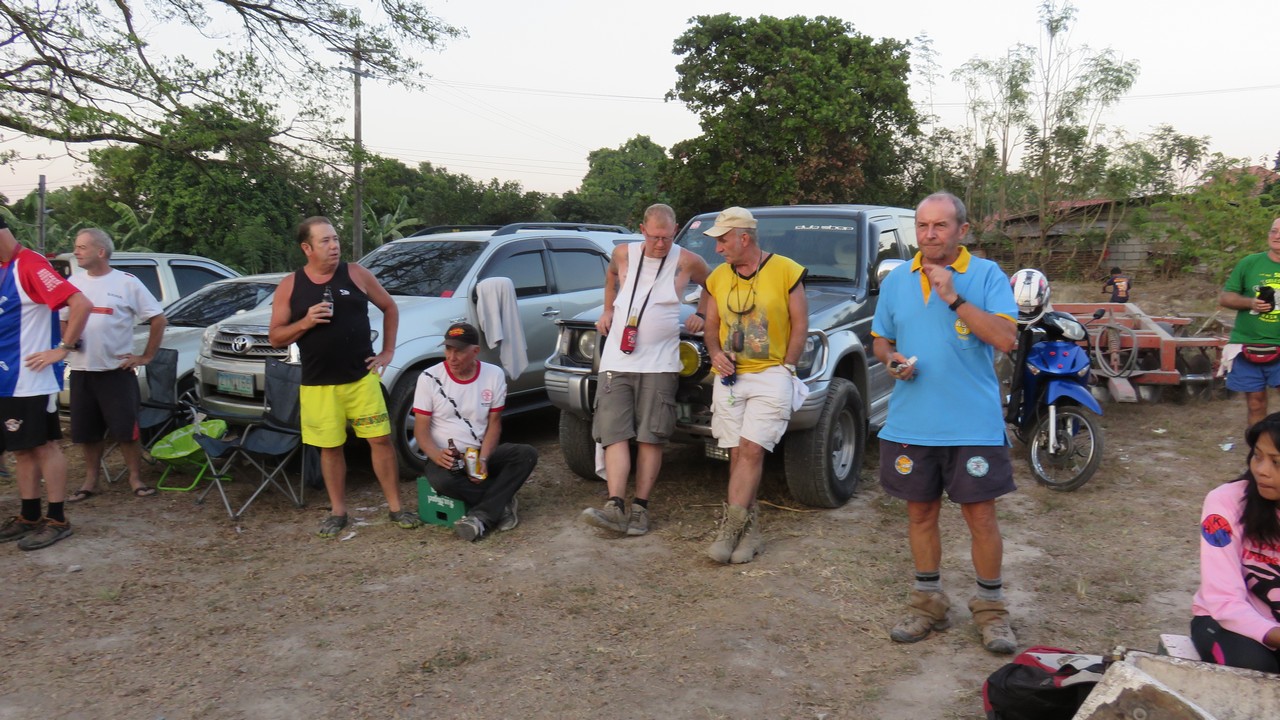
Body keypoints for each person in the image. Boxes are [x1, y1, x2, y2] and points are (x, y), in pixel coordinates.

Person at [871, 191, 1020, 655]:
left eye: (940, 225)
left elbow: (1006, 338)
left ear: (962, 230)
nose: (929, 234)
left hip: (972, 424)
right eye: (922, 226)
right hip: (911, 424)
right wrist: (892, 360)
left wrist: (953, 297)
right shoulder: (898, 280)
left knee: (981, 516)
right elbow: (881, 340)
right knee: (920, 514)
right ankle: (927, 604)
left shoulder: (987, 275)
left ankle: (991, 610)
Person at [269, 216, 417, 538]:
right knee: (331, 448)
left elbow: (390, 307)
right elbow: (276, 337)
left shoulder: (356, 274)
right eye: (325, 241)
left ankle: (396, 508)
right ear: (307, 248)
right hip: (318, 385)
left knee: (380, 440)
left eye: (335, 239)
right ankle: (338, 512)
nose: (334, 246)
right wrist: (306, 321)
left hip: (361, 379)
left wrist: (388, 351)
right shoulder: (291, 286)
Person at [580, 203, 709, 536]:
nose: (661, 244)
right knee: (614, 433)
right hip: (617, 360)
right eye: (654, 237)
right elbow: (611, 276)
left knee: (651, 436)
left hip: (660, 364)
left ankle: (640, 508)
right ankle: (614, 505)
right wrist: (608, 309)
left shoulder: (686, 260)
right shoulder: (623, 254)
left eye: (667, 237)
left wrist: (703, 313)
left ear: (675, 230)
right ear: (642, 230)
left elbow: (714, 284)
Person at [702, 207, 807, 564]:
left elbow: (800, 324)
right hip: (730, 377)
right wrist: (715, 353)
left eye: (722, 241)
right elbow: (711, 326)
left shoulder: (786, 271)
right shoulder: (718, 277)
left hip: (771, 374)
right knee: (736, 452)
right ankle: (750, 530)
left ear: (744, 238)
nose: (718, 249)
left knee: (751, 449)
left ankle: (729, 530)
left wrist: (787, 367)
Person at [0, 216, 92, 551]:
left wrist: (63, 348)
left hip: (31, 379)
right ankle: (29, 515)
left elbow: (81, 304)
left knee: (44, 446)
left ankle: (57, 519)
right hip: (6, 378)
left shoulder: (30, 265)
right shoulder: (3, 268)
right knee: (21, 449)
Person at [63, 229, 167, 501]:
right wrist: (68, 341)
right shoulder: (73, 282)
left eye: (82, 247)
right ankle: (91, 480)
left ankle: (135, 478)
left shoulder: (126, 283)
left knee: (126, 430)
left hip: (116, 372)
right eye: (76, 246)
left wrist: (145, 356)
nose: (76, 252)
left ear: (101, 252)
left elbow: (158, 319)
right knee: (87, 431)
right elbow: (63, 317)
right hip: (82, 370)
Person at [413, 322, 537, 541]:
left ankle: (482, 515)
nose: (452, 357)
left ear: (475, 351)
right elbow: (420, 430)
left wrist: (484, 459)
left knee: (525, 454)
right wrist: (436, 455)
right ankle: (501, 503)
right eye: (448, 349)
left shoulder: (493, 375)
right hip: (447, 456)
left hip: (477, 452)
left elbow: (494, 424)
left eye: (459, 351)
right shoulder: (429, 377)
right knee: (443, 481)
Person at [1191, 412, 1280, 674]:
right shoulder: (1225, 503)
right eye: (1258, 456)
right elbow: (1224, 599)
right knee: (1256, 670)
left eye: (1276, 462)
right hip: (1224, 622)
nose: (1262, 470)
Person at [1219, 218, 1280, 428]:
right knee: (1255, 404)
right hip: (1247, 344)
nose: (1277, 236)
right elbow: (1225, 297)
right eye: (1273, 231)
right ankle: (1258, 446)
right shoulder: (1249, 263)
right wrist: (1250, 303)